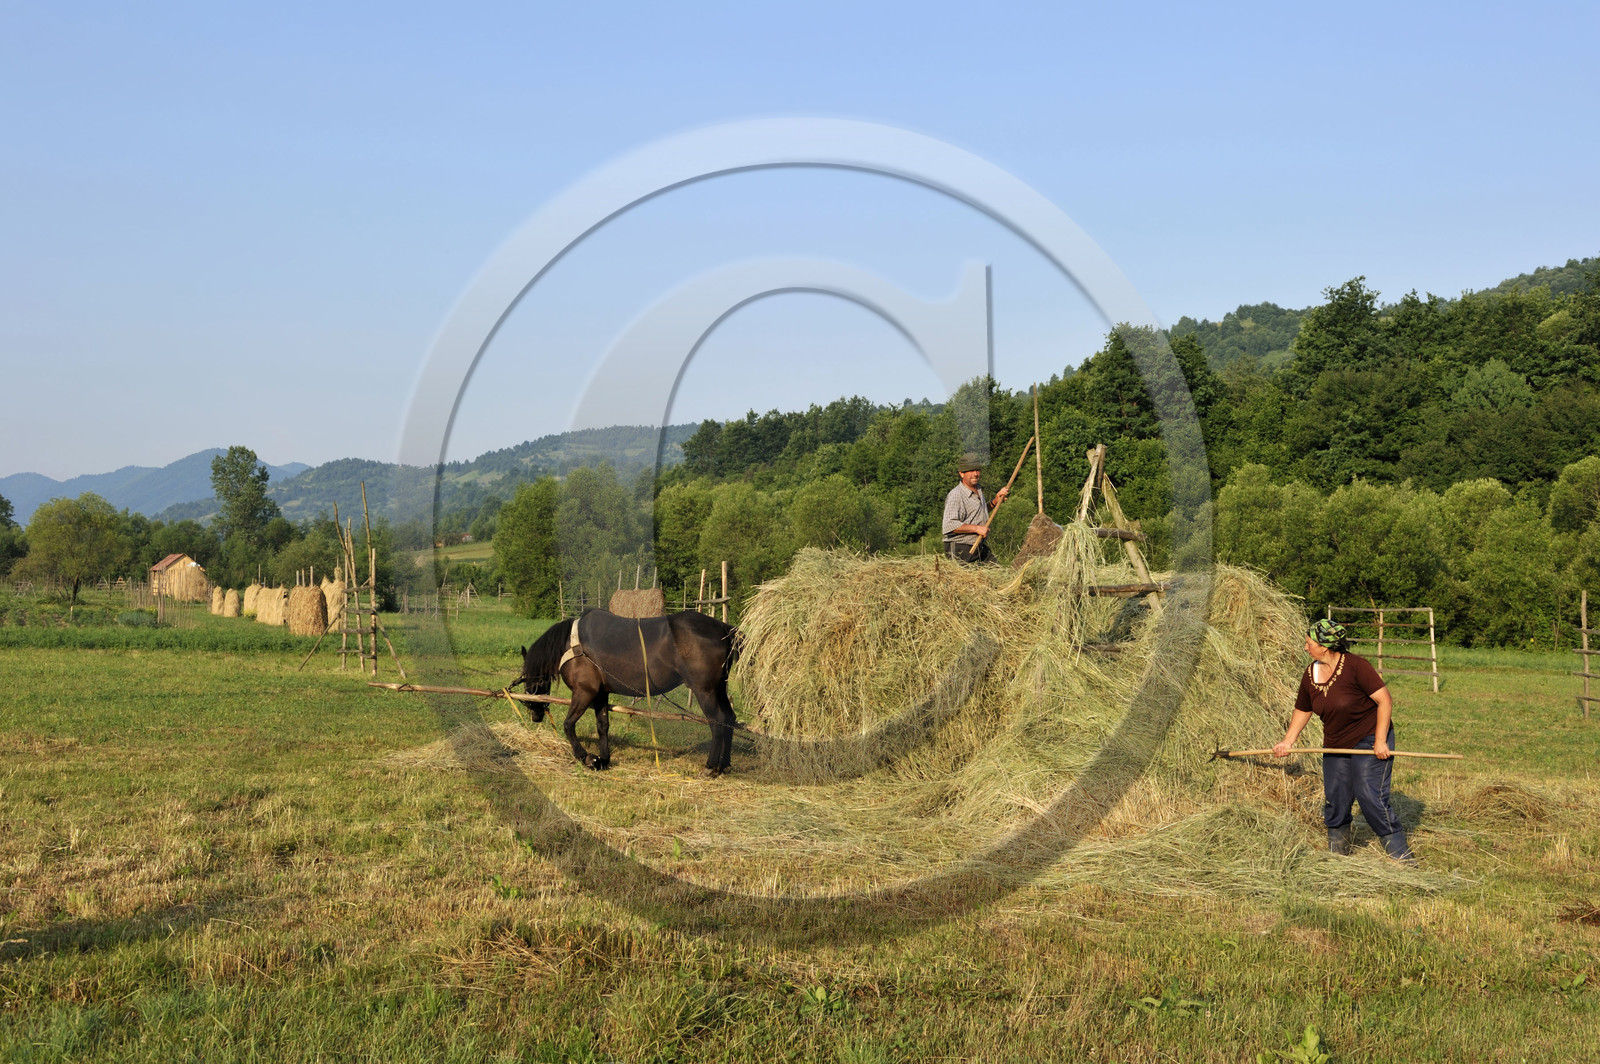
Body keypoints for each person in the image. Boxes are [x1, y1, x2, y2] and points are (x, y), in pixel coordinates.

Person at [1273, 618, 1413, 861]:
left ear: (1325, 647)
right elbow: (1303, 709)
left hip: (1369, 737)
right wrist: (1288, 741)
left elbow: (1385, 701)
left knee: (1370, 794)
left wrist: (1380, 741)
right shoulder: (1310, 674)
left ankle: (1400, 857)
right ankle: (1338, 856)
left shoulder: (1356, 666)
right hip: (1336, 743)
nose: (1306, 647)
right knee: (1336, 797)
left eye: (1309, 643)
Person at [942, 454, 1008, 563]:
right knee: (967, 580)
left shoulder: (978, 490)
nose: (976, 474)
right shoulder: (956, 495)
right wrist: (977, 529)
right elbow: (949, 525)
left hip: (978, 546)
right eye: (971, 470)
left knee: (999, 573)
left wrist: (995, 501)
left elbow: (977, 513)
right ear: (962, 473)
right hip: (960, 549)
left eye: (977, 470)